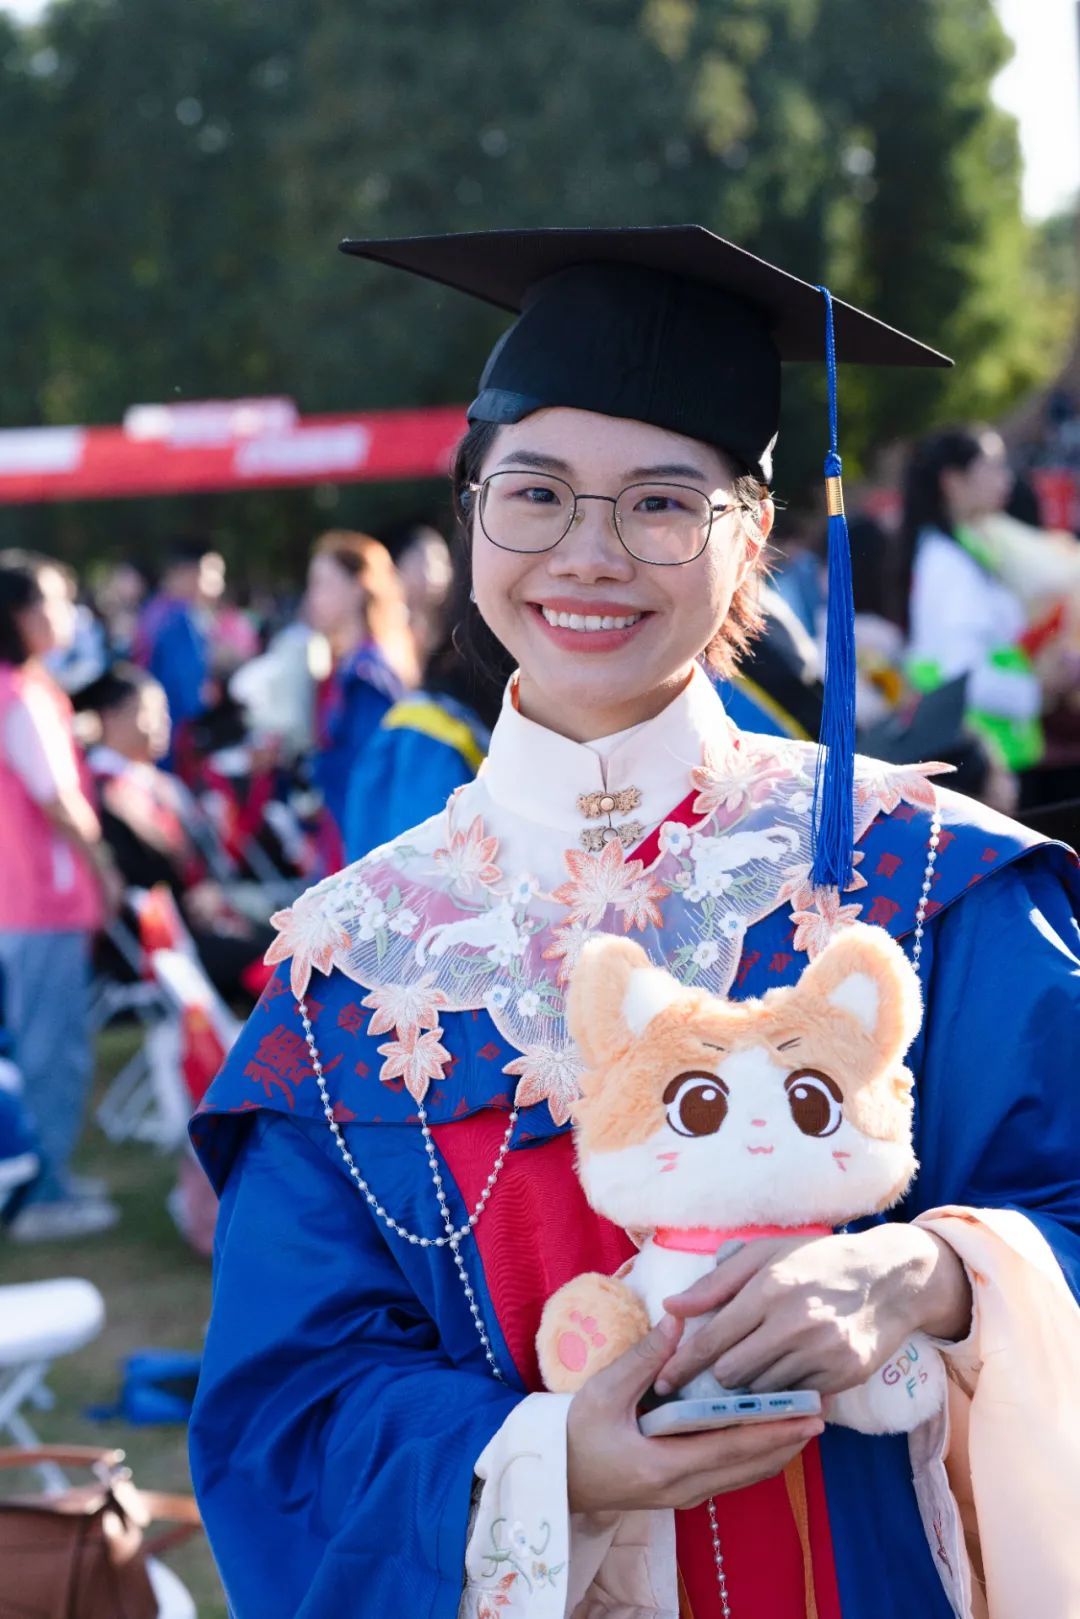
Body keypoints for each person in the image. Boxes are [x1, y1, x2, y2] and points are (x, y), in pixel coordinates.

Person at [189, 227, 1080, 1618]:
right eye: (535, 493)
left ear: (753, 536)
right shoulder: (357, 969)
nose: (589, 555)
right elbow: (287, 1405)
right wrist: (545, 1464)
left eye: (664, 503)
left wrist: (935, 1273)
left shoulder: (925, 876)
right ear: (471, 511)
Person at [0, 552, 121, 1241]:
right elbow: (59, 800)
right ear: (19, 615)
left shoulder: (22, 688)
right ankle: (44, 1196)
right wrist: (103, 869)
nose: (66, 615)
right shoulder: (19, 693)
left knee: (41, 1046)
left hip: (24, 901)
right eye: (52, 601)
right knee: (51, 1051)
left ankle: (47, 1180)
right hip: (40, 901)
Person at [77, 663, 275, 1003]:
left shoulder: (160, 784)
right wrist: (185, 902)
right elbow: (128, 872)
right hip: (153, 936)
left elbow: (204, 851)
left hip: (203, 918)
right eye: (149, 712)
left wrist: (210, 888)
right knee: (269, 957)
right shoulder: (97, 792)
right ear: (110, 718)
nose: (163, 724)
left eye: (164, 713)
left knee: (283, 937)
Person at [900, 427, 1044, 773]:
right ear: (953, 481)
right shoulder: (946, 563)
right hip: (985, 762)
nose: (1005, 478)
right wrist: (1036, 689)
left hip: (1002, 752)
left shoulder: (966, 550)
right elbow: (961, 673)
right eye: (992, 466)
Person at [305, 530, 416, 866]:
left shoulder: (368, 675)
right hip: (342, 840)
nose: (313, 597)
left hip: (360, 849)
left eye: (323, 583)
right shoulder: (350, 665)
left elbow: (371, 779)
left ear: (357, 588)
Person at [134, 538, 224, 768]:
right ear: (186, 574)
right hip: (175, 734)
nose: (216, 584)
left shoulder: (152, 610)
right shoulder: (179, 619)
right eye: (208, 574)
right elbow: (188, 688)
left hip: (151, 725)